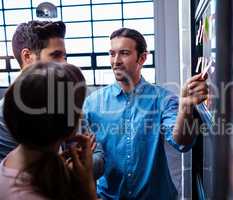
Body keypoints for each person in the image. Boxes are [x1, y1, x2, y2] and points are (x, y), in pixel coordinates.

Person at [83, 28, 208, 199]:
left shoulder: (163, 99)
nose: (116, 61)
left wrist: (185, 106)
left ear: (142, 58)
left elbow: (182, 143)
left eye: (124, 53)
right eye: (112, 54)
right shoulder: (92, 104)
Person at [0, 20, 104, 179]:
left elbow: (98, 158)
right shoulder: (3, 116)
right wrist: (74, 165)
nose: (64, 63)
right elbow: (21, 180)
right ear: (28, 56)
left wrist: (67, 167)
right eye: (56, 55)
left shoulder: (65, 98)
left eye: (64, 56)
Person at [0, 61, 97, 200]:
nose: (81, 114)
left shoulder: (12, 163)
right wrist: (87, 185)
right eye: (77, 109)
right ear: (67, 126)